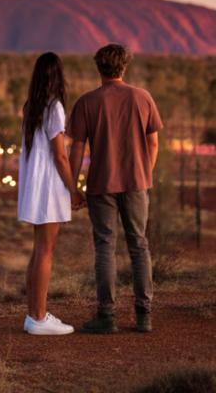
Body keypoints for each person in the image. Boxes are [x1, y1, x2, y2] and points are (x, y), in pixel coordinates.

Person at [67, 44, 163, 334]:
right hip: (136, 182)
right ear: (124, 66)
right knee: (139, 245)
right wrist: (145, 172)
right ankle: (143, 316)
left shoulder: (87, 102)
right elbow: (153, 142)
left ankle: (106, 317)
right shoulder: (143, 97)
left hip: (100, 184)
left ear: (99, 68)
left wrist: (72, 186)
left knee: (105, 247)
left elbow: (77, 149)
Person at [18, 51, 85, 335]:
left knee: (38, 251)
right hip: (48, 186)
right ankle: (39, 318)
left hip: (36, 185)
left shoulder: (31, 106)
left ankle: (34, 315)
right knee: (46, 251)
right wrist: (74, 190)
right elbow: (60, 156)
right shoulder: (54, 107)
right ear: (58, 76)